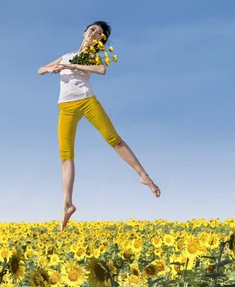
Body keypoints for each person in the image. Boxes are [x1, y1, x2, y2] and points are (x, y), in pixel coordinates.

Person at [38, 21, 161, 232]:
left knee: (114, 139)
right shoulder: (66, 55)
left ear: (100, 40)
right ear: (84, 32)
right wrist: (52, 69)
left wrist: (73, 66)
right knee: (65, 156)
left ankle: (144, 176)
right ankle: (67, 204)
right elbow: (40, 69)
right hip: (66, 108)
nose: (94, 33)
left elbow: (101, 69)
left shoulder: (92, 56)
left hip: (87, 102)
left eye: (99, 34)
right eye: (92, 29)